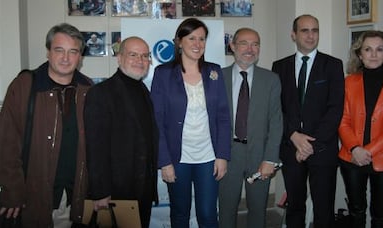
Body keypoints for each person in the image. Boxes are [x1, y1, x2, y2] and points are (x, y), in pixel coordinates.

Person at [0, 23, 93, 227]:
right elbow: (6, 142)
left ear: (80, 57)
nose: (66, 58)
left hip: (74, 197)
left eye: (73, 52)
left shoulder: (88, 89)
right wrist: (12, 189)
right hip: (32, 197)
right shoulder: (25, 86)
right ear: (48, 53)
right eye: (59, 50)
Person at [150, 18, 231, 228]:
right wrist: (164, 161)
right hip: (178, 158)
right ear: (179, 41)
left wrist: (222, 155)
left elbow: (223, 116)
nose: (197, 44)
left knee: (208, 214)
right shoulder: (163, 74)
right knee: (180, 213)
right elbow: (156, 120)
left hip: (208, 156)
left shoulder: (214, 72)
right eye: (191, 38)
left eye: (202, 39)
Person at [271, 14, 345, 228]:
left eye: (315, 30)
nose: (311, 35)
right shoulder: (280, 66)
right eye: (305, 30)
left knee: (324, 209)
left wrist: (310, 144)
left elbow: (335, 109)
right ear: (293, 35)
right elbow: (276, 109)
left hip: (322, 149)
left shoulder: (332, 65)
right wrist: (293, 135)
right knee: (294, 206)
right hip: (290, 148)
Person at [84, 36, 158, 228]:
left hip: (142, 188)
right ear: (119, 57)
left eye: (144, 56)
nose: (140, 61)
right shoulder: (100, 93)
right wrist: (100, 192)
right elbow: (95, 146)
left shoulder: (143, 90)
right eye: (133, 55)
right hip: (116, 192)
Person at [338, 30, 383, 228]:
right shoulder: (347, 83)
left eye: (379, 49)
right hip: (351, 157)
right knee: (356, 211)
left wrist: (367, 151)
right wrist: (355, 148)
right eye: (368, 49)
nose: (373, 54)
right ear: (359, 54)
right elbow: (342, 120)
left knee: (380, 214)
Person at [219, 27, 283, 228]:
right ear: (232, 46)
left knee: (258, 210)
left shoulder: (271, 79)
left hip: (260, 155)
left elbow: (276, 121)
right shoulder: (217, 77)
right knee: (226, 209)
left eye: (255, 44)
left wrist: (270, 159)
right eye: (244, 43)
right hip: (227, 154)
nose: (250, 49)